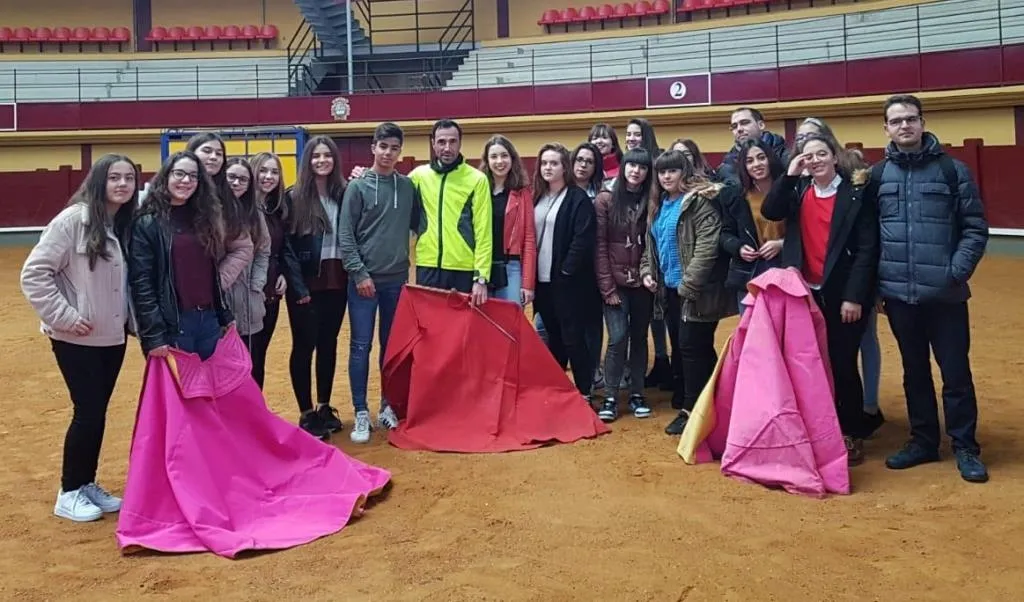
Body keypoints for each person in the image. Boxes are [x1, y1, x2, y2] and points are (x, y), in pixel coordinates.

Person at [873, 94, 989, 482]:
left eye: (910, 119)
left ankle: (965, 447)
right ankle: (923, 441)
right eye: (896, 120)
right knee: (914, 371)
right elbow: (870, 237)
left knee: (955, 373)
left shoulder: (952, 171)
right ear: (886, 128)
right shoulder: (877, 177)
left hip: (945, 295)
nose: (904, 126)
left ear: (922, 122)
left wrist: (955, 272)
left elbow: (974, 227)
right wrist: (878, 287)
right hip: (899, 296)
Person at [20, 154, 137, 522]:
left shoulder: (124, 224)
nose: (121, 184)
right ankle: (69, 490)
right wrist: (66, 317)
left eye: (129, 178)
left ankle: (86, 483)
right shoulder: (73, 220)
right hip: (76, 337)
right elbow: (35, 274)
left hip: (111, 336)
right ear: (98, 180)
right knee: (87, 412)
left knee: (96, 412)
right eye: (114, 177)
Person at [762, 135, 879, 465]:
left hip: (844, 295)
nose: (814, 160)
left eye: (821, 154)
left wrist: (855, 297)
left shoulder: (855, 193)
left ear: (835, 157)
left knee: (842, 364)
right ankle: (818, 427)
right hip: (806, 292)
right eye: (807, 156)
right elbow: (771, 211)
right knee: (811, 362)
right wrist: (790, 174)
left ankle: (851, 432)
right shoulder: (799, 190)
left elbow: (867, 250)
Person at [337, 122, 420, 443]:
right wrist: (359, 273)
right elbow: (346, 235)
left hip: (396, 282)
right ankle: (361, 410)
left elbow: (416, 224)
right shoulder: (356, 187)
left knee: (391, 347)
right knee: (360, 347)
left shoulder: (408, 187)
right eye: (382, 147)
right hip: (363, 284)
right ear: (373, 148)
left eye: (394, 148)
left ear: (400, 152)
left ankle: (388, 405)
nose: (387, 153)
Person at [642, 150, 734, 435]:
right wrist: (647, 270)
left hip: (695, 291)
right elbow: (651, 244)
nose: (666, 176)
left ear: (684, 172)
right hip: (669, 288)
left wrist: (689, 286)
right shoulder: (659, 204)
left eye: (672, 171)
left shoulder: (698, 202)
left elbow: (707, 247)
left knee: (692, 348)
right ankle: (714, 402)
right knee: (693, 349)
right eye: (662, 172)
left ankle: (692, 410)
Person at [129, 150, 234, 362]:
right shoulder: (147, 223)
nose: (186, 180)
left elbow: (209, 273)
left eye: (193, 176)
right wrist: (154, 335)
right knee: (181, 392)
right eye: (179, 174)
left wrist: (224, 315)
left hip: (209, 320)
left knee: (209, 391)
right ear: (166, 177)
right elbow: (142, 283)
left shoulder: (205, 219)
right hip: (174, 324)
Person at [284, 135, 349, 440]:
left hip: (338, 279)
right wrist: (298, 287)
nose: (322, 160)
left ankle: (324, 405)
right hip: (307, 282)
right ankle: (306, 412)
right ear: (307, 161)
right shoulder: (293, 197)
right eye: (315, 156)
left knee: (329, 342)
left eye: (327, 155)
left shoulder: (344, 193)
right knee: (304, 344)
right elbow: (286, 248)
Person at [532, 142, 602, 398]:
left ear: (565, 167)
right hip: (541, 282)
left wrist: (566, 272)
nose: (548, 167)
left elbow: (582, 240)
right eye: (544, 163)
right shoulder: (537, 196)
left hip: (568, 284)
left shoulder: (577, 198)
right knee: (553, 336)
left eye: (554, 163)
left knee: (573, 338)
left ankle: (584, 392)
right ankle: (560, 390)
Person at [595, 148, 654, 422]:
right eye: (631, 165)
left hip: (643, 282)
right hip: (615, 283)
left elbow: (652, 243)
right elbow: (600, 246)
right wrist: (607, 287)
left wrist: (648, 274)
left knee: (640, 338)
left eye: (642, 167)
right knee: (618, 338)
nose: (636, 171)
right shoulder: (605, 200)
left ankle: (637, 392)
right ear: (623, 167)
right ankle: (609, 395)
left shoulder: (652, 199)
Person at [409, 119, 492, 304]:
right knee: (430, 328)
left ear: (460, 142)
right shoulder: (418, 176)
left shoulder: (477, 179)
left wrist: (481, 277)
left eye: (452, 141)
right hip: (427, 266)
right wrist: (364, 174)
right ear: (433, 143)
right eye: (441, 142)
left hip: (463, 269)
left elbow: (483, 231)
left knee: (460, 330)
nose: (447, 148)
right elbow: (391, 187)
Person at [719, 139, 786, 315]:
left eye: (761, 157)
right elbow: (725, 234)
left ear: (770, 159)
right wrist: (739, 247)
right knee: (753, 336)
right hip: (750, 273)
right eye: (749, 161)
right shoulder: (735, 195)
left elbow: (804, 231)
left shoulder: (789, 189)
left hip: (786, 269)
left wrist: (781, 244)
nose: (757, 164)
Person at [480, 134, 537, 306]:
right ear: (487, 161)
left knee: (510, 325)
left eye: (504, 155)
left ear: (512, 159)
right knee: (483, 325)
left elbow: (529, 239)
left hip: (511, 266)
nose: (499, 161)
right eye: (494, 156)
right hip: (482, 268)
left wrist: (527, 284)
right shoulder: (478, 189)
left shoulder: (522, 192)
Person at [717, 107, 788, 184]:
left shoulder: (786, 157)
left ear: (761, 125)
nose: (739, 129)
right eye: (734, 126)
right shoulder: (727, 168)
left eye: (744, 123)